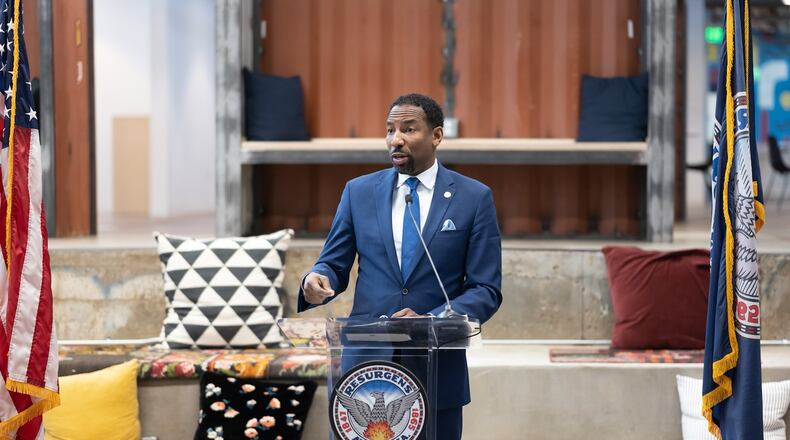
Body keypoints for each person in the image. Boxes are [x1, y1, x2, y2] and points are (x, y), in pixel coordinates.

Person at [298, 93, 502, 439]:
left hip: (436, 370)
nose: (396, 139)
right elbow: (333, 263)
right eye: (390, 130)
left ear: (436, 136)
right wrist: (316, 278)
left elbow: (486, 289)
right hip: (365, 373)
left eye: (408, 129)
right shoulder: (359, 192)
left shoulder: (473, 197)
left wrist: (432, 320)